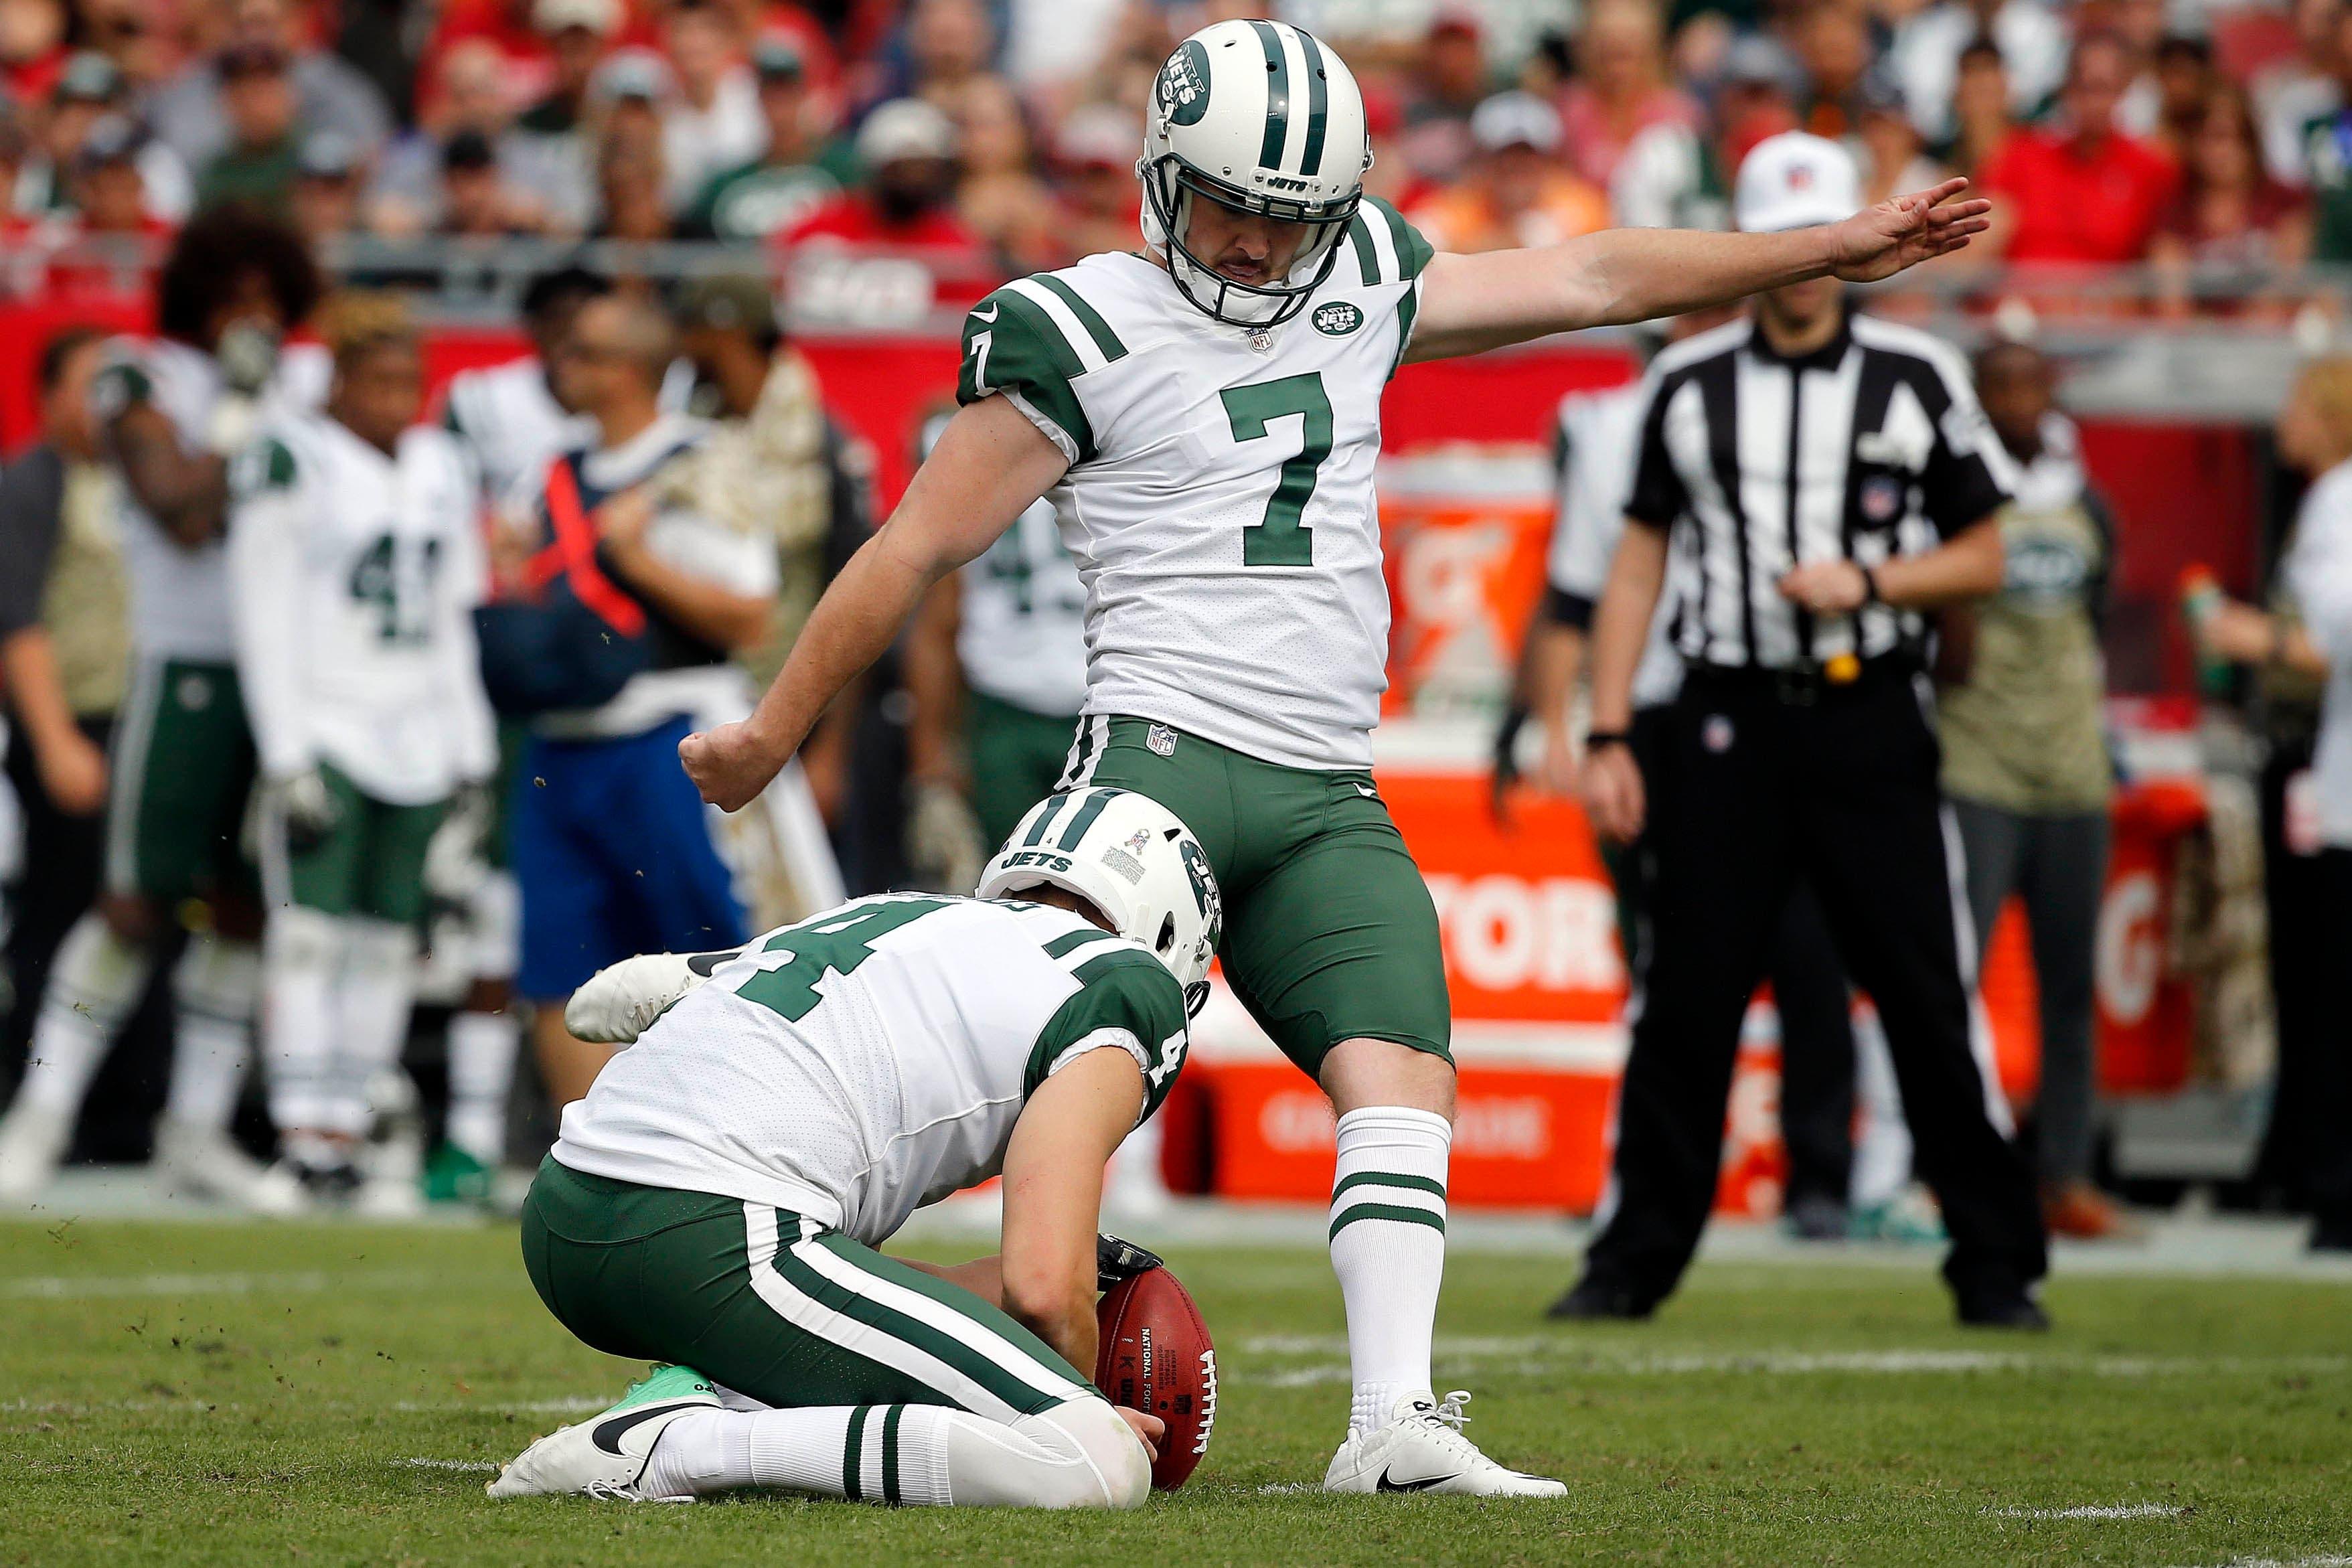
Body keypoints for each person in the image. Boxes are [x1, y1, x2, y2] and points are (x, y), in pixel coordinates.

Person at [676, 20, 1991, 1491]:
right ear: (1160, 180)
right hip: (1150, 772)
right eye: (1230, 203)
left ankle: (1390, 1422)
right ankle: (744, 1314)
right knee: (999, 1088)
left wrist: (1820, 248)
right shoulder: (1081, 325)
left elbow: (1598, 274)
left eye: (1288, 215)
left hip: (1320, 791)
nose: (1253, 243)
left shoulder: (1358, 273)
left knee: (1401, 1074)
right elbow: (912, 544)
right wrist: (772, 731)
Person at [1558, 133, 2047, 1328]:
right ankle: (1632, 1261)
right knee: (1688, 999)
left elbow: (1987, 551)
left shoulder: (1917, 376)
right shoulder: (1684, 386)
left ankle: (1993, 1261)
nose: (1799, 270)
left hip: (1866, 715)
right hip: (1722, 719)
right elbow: (1635, 568)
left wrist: (1873, 587)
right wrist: (1610, 728)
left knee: (1924, 995)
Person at [484, 787, 1214, 1506]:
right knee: (1096, 1462)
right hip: (716, 1232)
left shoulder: (902, 915)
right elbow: (1045, 1291)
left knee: (845, 1268)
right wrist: (1060, 1404)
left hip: (566, 1218)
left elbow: (624, 999)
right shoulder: (1130, 988)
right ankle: (678, 1447)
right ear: (1168, 934)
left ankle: (723, 1392)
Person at [0, 209, 325, 1208]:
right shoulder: (137, 376)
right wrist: (237, 413)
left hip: (289, 679)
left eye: (269, 300)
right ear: (197, 292)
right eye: (234, 295)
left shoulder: (309, 385)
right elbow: (182, 513)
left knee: (242, 914)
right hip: (182, 667)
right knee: (134, 901)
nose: (252, 318)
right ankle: (39, 1122)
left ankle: (194, 1130)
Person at [1514, 319, 1863, 1249]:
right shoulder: (1609, 424)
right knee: (1668, 967)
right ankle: (1653, 1186)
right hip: (1661, 710)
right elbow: (1576, 593)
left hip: (1781, 700)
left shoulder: (1806, 404)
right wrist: (1577, 726)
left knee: (1806, 952)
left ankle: (1818, 1173)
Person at [226, 291, 497, 1204]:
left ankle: (345, 1129)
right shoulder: (292, 457)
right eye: (377, 382)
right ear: (338, 379)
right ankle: (301, 1132)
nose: (395, 402)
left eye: (407, 383)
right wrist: (285, 749)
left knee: (386, 941)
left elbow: (457, 616)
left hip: (419, 728)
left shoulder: (442, 464)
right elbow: (260, 614)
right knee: (307, 934)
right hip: (329, 722)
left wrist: (473, 750)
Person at [499, 291, 777, 1111]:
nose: (562, 365)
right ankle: (585, 1164)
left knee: (712, 951)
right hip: (560, 739)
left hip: (672, 736)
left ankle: (739, 1143)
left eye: (581, 350)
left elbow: (749, 613)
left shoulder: (702, 461)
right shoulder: (548, 471)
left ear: (629, 370)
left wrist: (635, 560)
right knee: (561, 963)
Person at [1937, 339, 2128, 1241]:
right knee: (1953, 981)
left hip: (2070, 771)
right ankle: (1948, 1171)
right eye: (2002, 383)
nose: (2020, 398)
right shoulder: (1958, 484)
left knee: (2067, 988)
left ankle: (2064, 1176)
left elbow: (2093, 620)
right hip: (1978, 765)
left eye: (2032, 381)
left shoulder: (2083, 494)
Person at [2185, 358, 2352, 1253]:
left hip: (2333, 779)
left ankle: (2327, 1186)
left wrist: (2247, 635)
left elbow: (2332, 643)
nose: (2283, 417)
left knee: (2323, 989)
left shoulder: (2336, 501)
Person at [0, 329, 127, 1089]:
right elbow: (17, 618)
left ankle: (121, 1107)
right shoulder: (31, 482)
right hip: (70, 723)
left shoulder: (133, 480)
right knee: (59, 914)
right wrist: (53, 738)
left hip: (132, 726)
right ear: (48, 397)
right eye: (90, 385)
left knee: (133, 917)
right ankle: (34, 1088)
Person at [1978, 33, 2179, 267]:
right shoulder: (2022, 155)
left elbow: (2166, 252)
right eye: (2083, 87)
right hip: (2019, 298)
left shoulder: (2150, 169)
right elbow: (1986, 232)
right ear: (2068, 90)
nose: (2092, 102)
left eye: (2102, 88)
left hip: (2105, 300)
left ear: (2122, 90)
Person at [680, 33, 842, 243]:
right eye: (769, 91)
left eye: (786, 91)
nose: (778, 103)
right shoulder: (726, 185)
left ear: (803, 95)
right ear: (757, 97)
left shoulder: (842, 170)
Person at [1407, 92, 1610, 255]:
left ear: (1548, 161)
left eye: (1527, 156)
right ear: (1482, 161)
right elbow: (1414, 243)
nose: (1514, 167)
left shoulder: (1583, 206)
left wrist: (1472, 246)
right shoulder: (1461, 205)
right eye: (1503, 156)